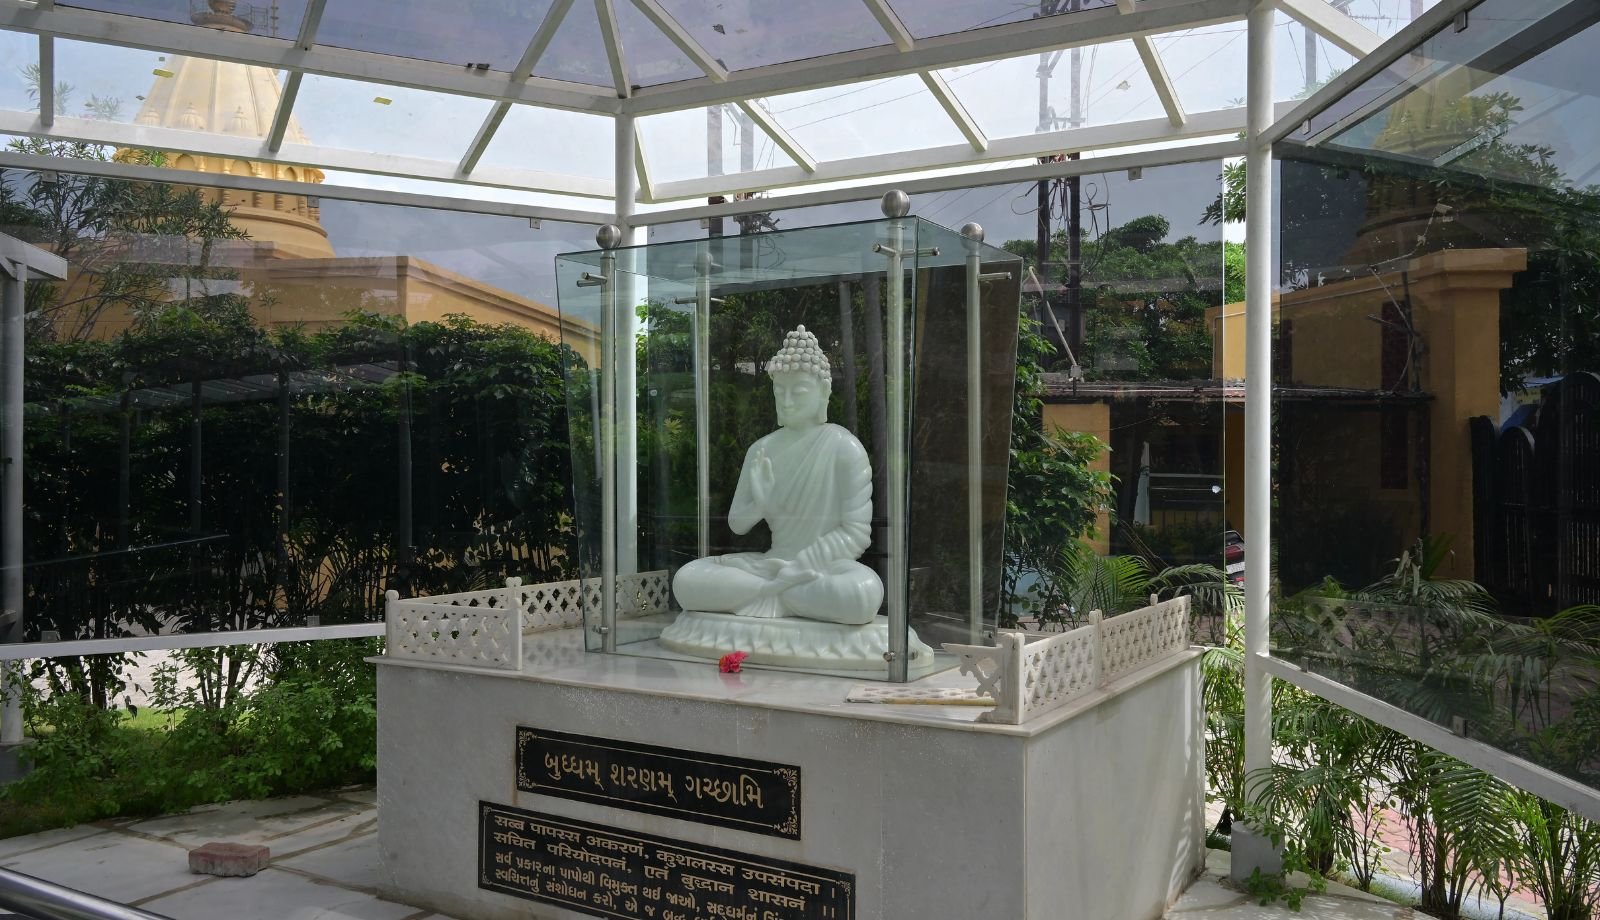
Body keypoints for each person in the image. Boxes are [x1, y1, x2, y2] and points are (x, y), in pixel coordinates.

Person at [672, 326, 884, 625]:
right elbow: (737, 524)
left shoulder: (844, 447)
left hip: (821, 568)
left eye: (798, 391)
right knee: (687, 578)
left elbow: (856, 533)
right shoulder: (762, 450)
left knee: (862, 593)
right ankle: (773, 593)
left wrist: (799, 567)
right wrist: (761, 505)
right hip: (770, 565)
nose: (786, 400)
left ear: (824, 392)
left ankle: (765, 594)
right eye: (779, 391)